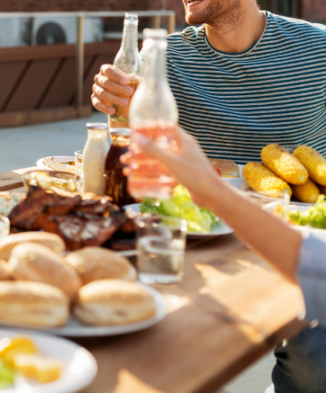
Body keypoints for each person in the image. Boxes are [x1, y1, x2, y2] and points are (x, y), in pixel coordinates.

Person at [91, 0, 326, 393]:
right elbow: (136, 139)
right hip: (203, 236)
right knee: (157, 352)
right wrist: (116, 104)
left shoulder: (317, 47)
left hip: (296, 237)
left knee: (312, 369)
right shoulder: (166, 56)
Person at [136, 128, 326, 393]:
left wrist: (210, 192)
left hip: (300, 222)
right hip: (204, 230)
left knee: (315, 365)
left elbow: (317, 271)